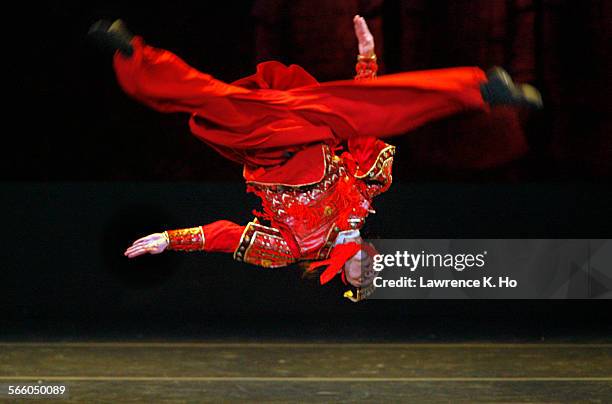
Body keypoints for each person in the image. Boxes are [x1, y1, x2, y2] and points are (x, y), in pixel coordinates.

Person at [90, 16, 542, 302]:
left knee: (208, 99)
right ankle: (483, 89)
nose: (367, 264)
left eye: (361, 275)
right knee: (381, 112)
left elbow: (225, 236)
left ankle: (130, 54)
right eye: (372, 265)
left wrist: (169, 240)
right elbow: (368, 112)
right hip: (311, 126)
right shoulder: (365, 191)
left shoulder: (290, 250)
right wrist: (366, 57)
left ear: (342, 277)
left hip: (266, 146)